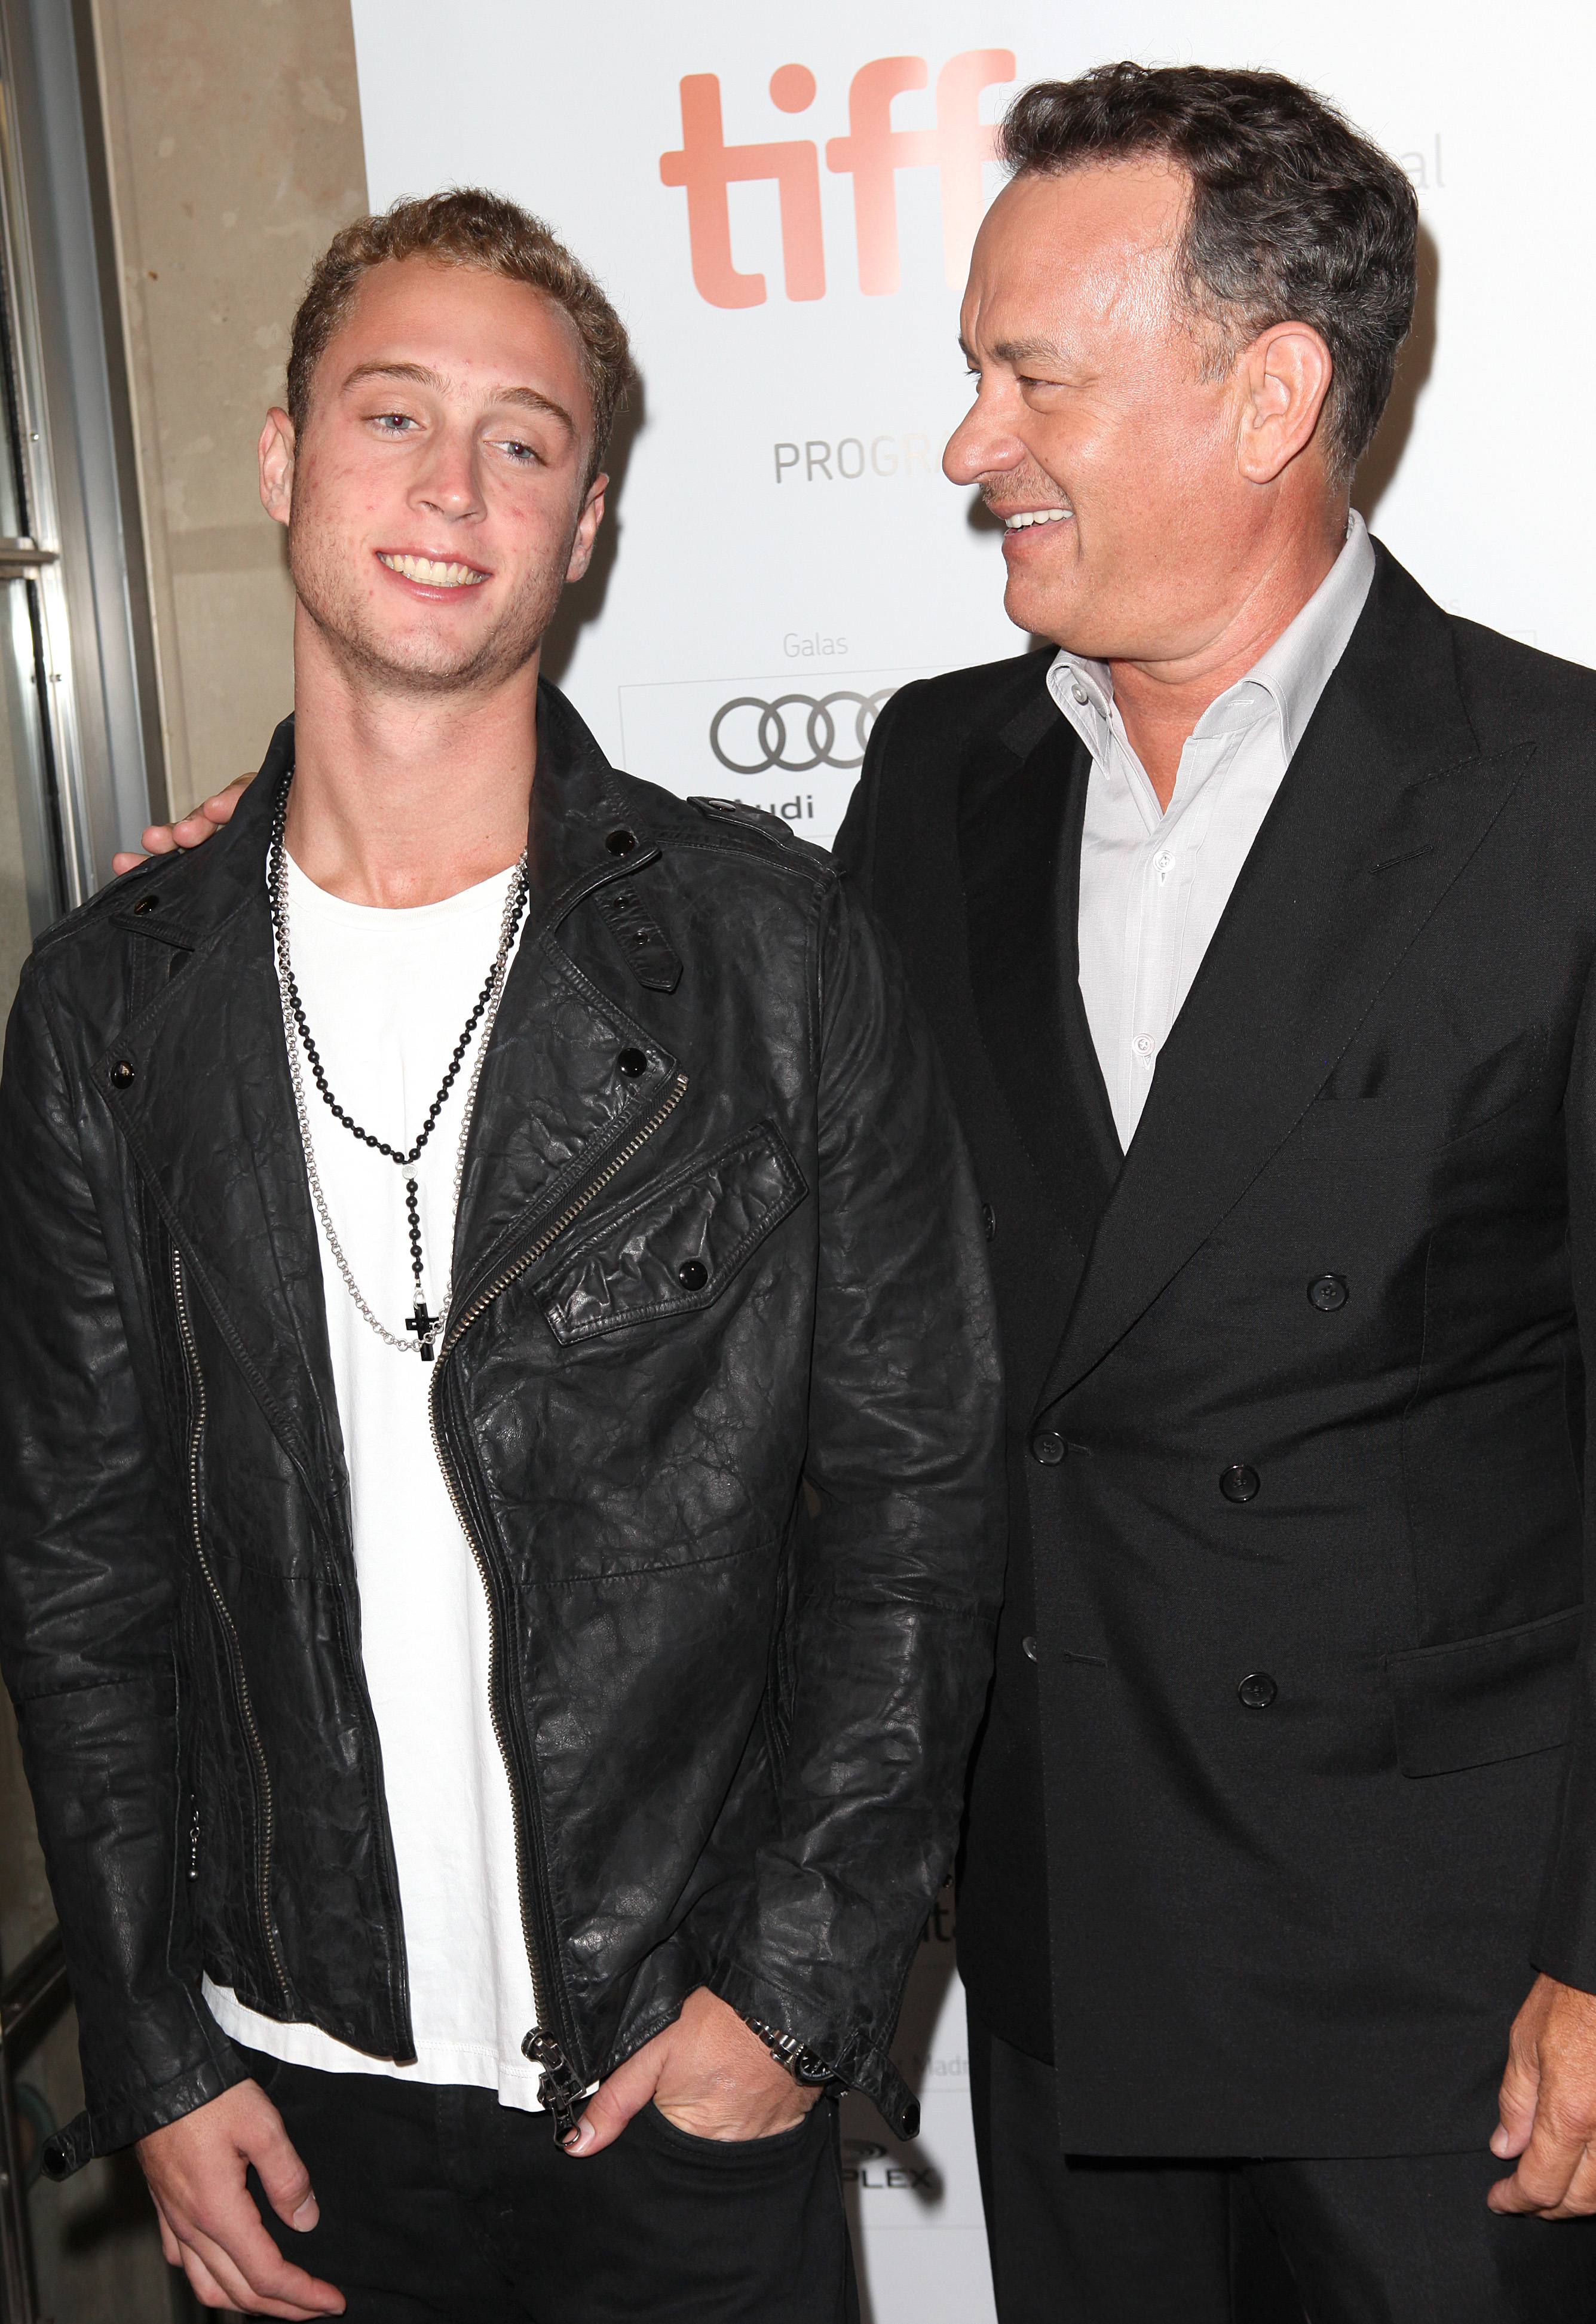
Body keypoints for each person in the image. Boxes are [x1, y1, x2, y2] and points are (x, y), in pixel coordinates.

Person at [0, 189, 1004, 2322]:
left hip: (677, 2066)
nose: (451, 490)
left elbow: (913, 1509)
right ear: (284, 459)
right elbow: (79, 1563)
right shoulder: (112, 1003)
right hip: (290, 2088)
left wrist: (791, 1997)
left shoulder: (779, 957)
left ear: (590, 518)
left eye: (523, 441)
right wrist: (153, 2048)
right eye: (392, 417)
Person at [832, 61, 1596, 2324]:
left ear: (1270, 394)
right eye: (975, 372)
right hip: (1069, 1939)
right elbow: (685, 1010)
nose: (972, 444)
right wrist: (317, 826)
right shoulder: (932, 771)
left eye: (1029, 375)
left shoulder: (1556, 800)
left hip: (1443, 1993)